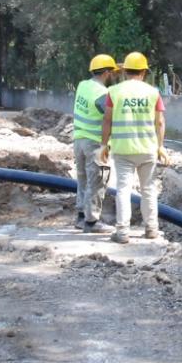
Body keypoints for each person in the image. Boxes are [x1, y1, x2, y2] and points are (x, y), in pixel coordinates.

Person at [98, 51, 169, 244]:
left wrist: (104, 145)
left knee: (123, 189)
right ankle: (152, 229)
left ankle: (122, 232)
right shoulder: (153, 92)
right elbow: (160, 122)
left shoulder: (114, 91)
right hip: (147, 149)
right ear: (144, 72)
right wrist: (161, 146)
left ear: (125, 71)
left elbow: (107, 119)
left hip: (123, 150)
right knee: (148, 190)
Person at [72, 53, 119, 233]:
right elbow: (109, 116)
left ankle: (81, 217)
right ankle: (92, 222)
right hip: (94, 143)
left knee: (83, 178)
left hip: (79, 140)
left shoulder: (83, 85)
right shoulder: (103, 93)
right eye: (112, 72)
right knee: (99, 179)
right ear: (106, 72)